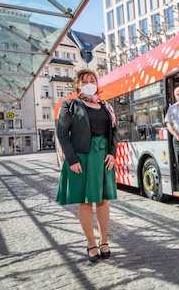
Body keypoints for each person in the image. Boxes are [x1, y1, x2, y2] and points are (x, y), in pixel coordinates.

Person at [56, 69, 118, 263]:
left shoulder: (106, 106)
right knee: (84, 202)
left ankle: (104, 241)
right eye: (85, 81)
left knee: (103, 200)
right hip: (81, 157)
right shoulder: (70, 105)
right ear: (78, 85)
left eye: (93, 80)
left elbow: (114, 131)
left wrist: (112, 153)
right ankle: (91, 243)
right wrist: (72, 160)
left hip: (103, 156)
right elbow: (62, 134)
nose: (90, 82)